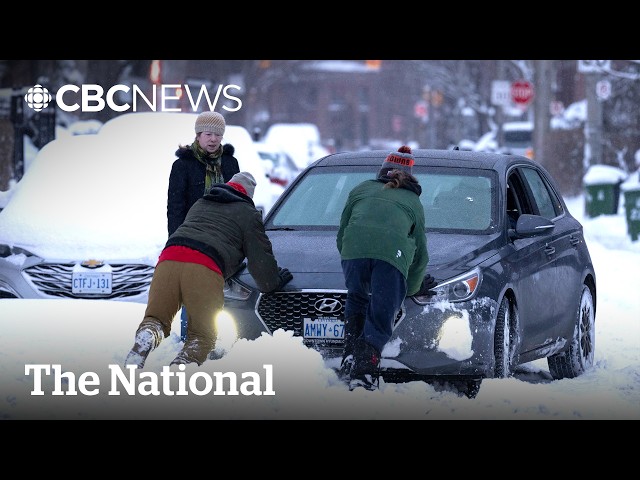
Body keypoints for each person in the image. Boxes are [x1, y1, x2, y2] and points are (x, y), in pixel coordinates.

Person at [125, 171, 293, 368]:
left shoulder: (201, 203)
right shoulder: (248, 214)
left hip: (168, 260)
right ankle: (179, 372)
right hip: (204, 268)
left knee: (156, 319)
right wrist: (273, 282)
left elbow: (202, 235)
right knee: (202, 336)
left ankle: (147, 337)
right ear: (248, 196)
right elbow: (260, 259)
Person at [336, 145, 435, 391]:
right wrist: (411, 287)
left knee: (357, 297)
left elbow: (342, 233)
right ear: (410, 176)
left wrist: (353, 257)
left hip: (353, 251)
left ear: (382, 170)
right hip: (391, 257)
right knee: (381, 310)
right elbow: (421, 253)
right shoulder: (412, 200)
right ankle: (365, 371)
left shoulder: (360, 189)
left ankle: (350, 353)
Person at [167, 111, 240, 341]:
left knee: (222, 289)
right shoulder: (183, 165)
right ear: (198, 135)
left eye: (218, 135)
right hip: (192, 237)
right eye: (208, 134)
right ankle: (191, 338)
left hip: (224, 236)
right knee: (193, 289)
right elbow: (175, 206)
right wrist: (175, 239)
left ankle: (220, 338)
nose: (213, 139)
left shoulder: (230, 163)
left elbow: (239, 199)